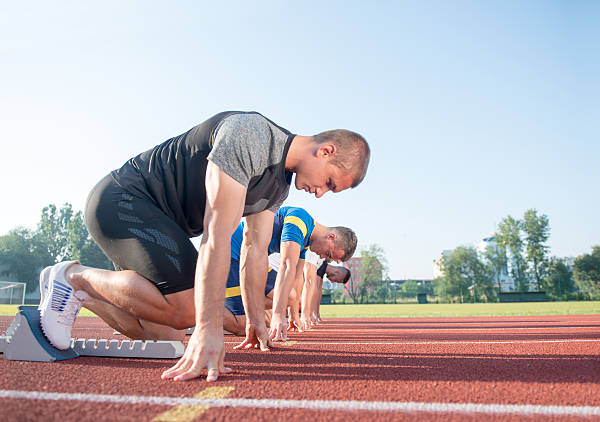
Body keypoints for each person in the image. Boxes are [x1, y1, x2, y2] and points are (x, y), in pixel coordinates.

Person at [38, 111, 369, 382]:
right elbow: (216, 234)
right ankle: (73, 277)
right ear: (326, 151)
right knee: (190, 312)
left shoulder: (278, 189)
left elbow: (255, 251)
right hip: (124, 200)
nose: (321, 193)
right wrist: (209, 327)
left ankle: (82, 293)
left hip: (160, 227)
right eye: (329, 183)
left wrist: (255, 320)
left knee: (165, 337)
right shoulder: (251, 135)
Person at [223, 207, 356, 336]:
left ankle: (231, 302)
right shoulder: (298, 221)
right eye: (328, 253)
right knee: (243, 326)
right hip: (232, 253)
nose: (323, 257)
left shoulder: (306, 241)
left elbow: (297, 278)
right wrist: (278, 314)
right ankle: (206, 304)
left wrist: (293, 315)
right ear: (331, 237)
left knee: (290, 297)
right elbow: (286, 266)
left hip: (252, 258)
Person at [300, 251, 351, 330]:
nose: (333, 281)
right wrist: (310, 314)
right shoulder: (320, 263)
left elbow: (318, 290)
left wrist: (315, 313)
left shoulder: (321, 266)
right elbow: (314, 289)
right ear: (336, 272)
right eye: (336, 280)